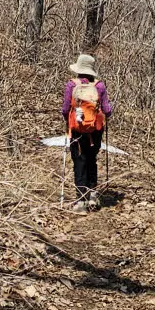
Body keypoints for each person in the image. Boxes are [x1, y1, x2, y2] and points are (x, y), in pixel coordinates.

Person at [62, 52, 113, 213]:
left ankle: (80, 201)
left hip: (77, 130)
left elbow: (65, 109)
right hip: (95, 130)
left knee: (79, 162)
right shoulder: (99, 86)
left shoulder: (72, 85)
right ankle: (92, 196)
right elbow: (107, 110)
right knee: (91, 160)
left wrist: (70, 120)